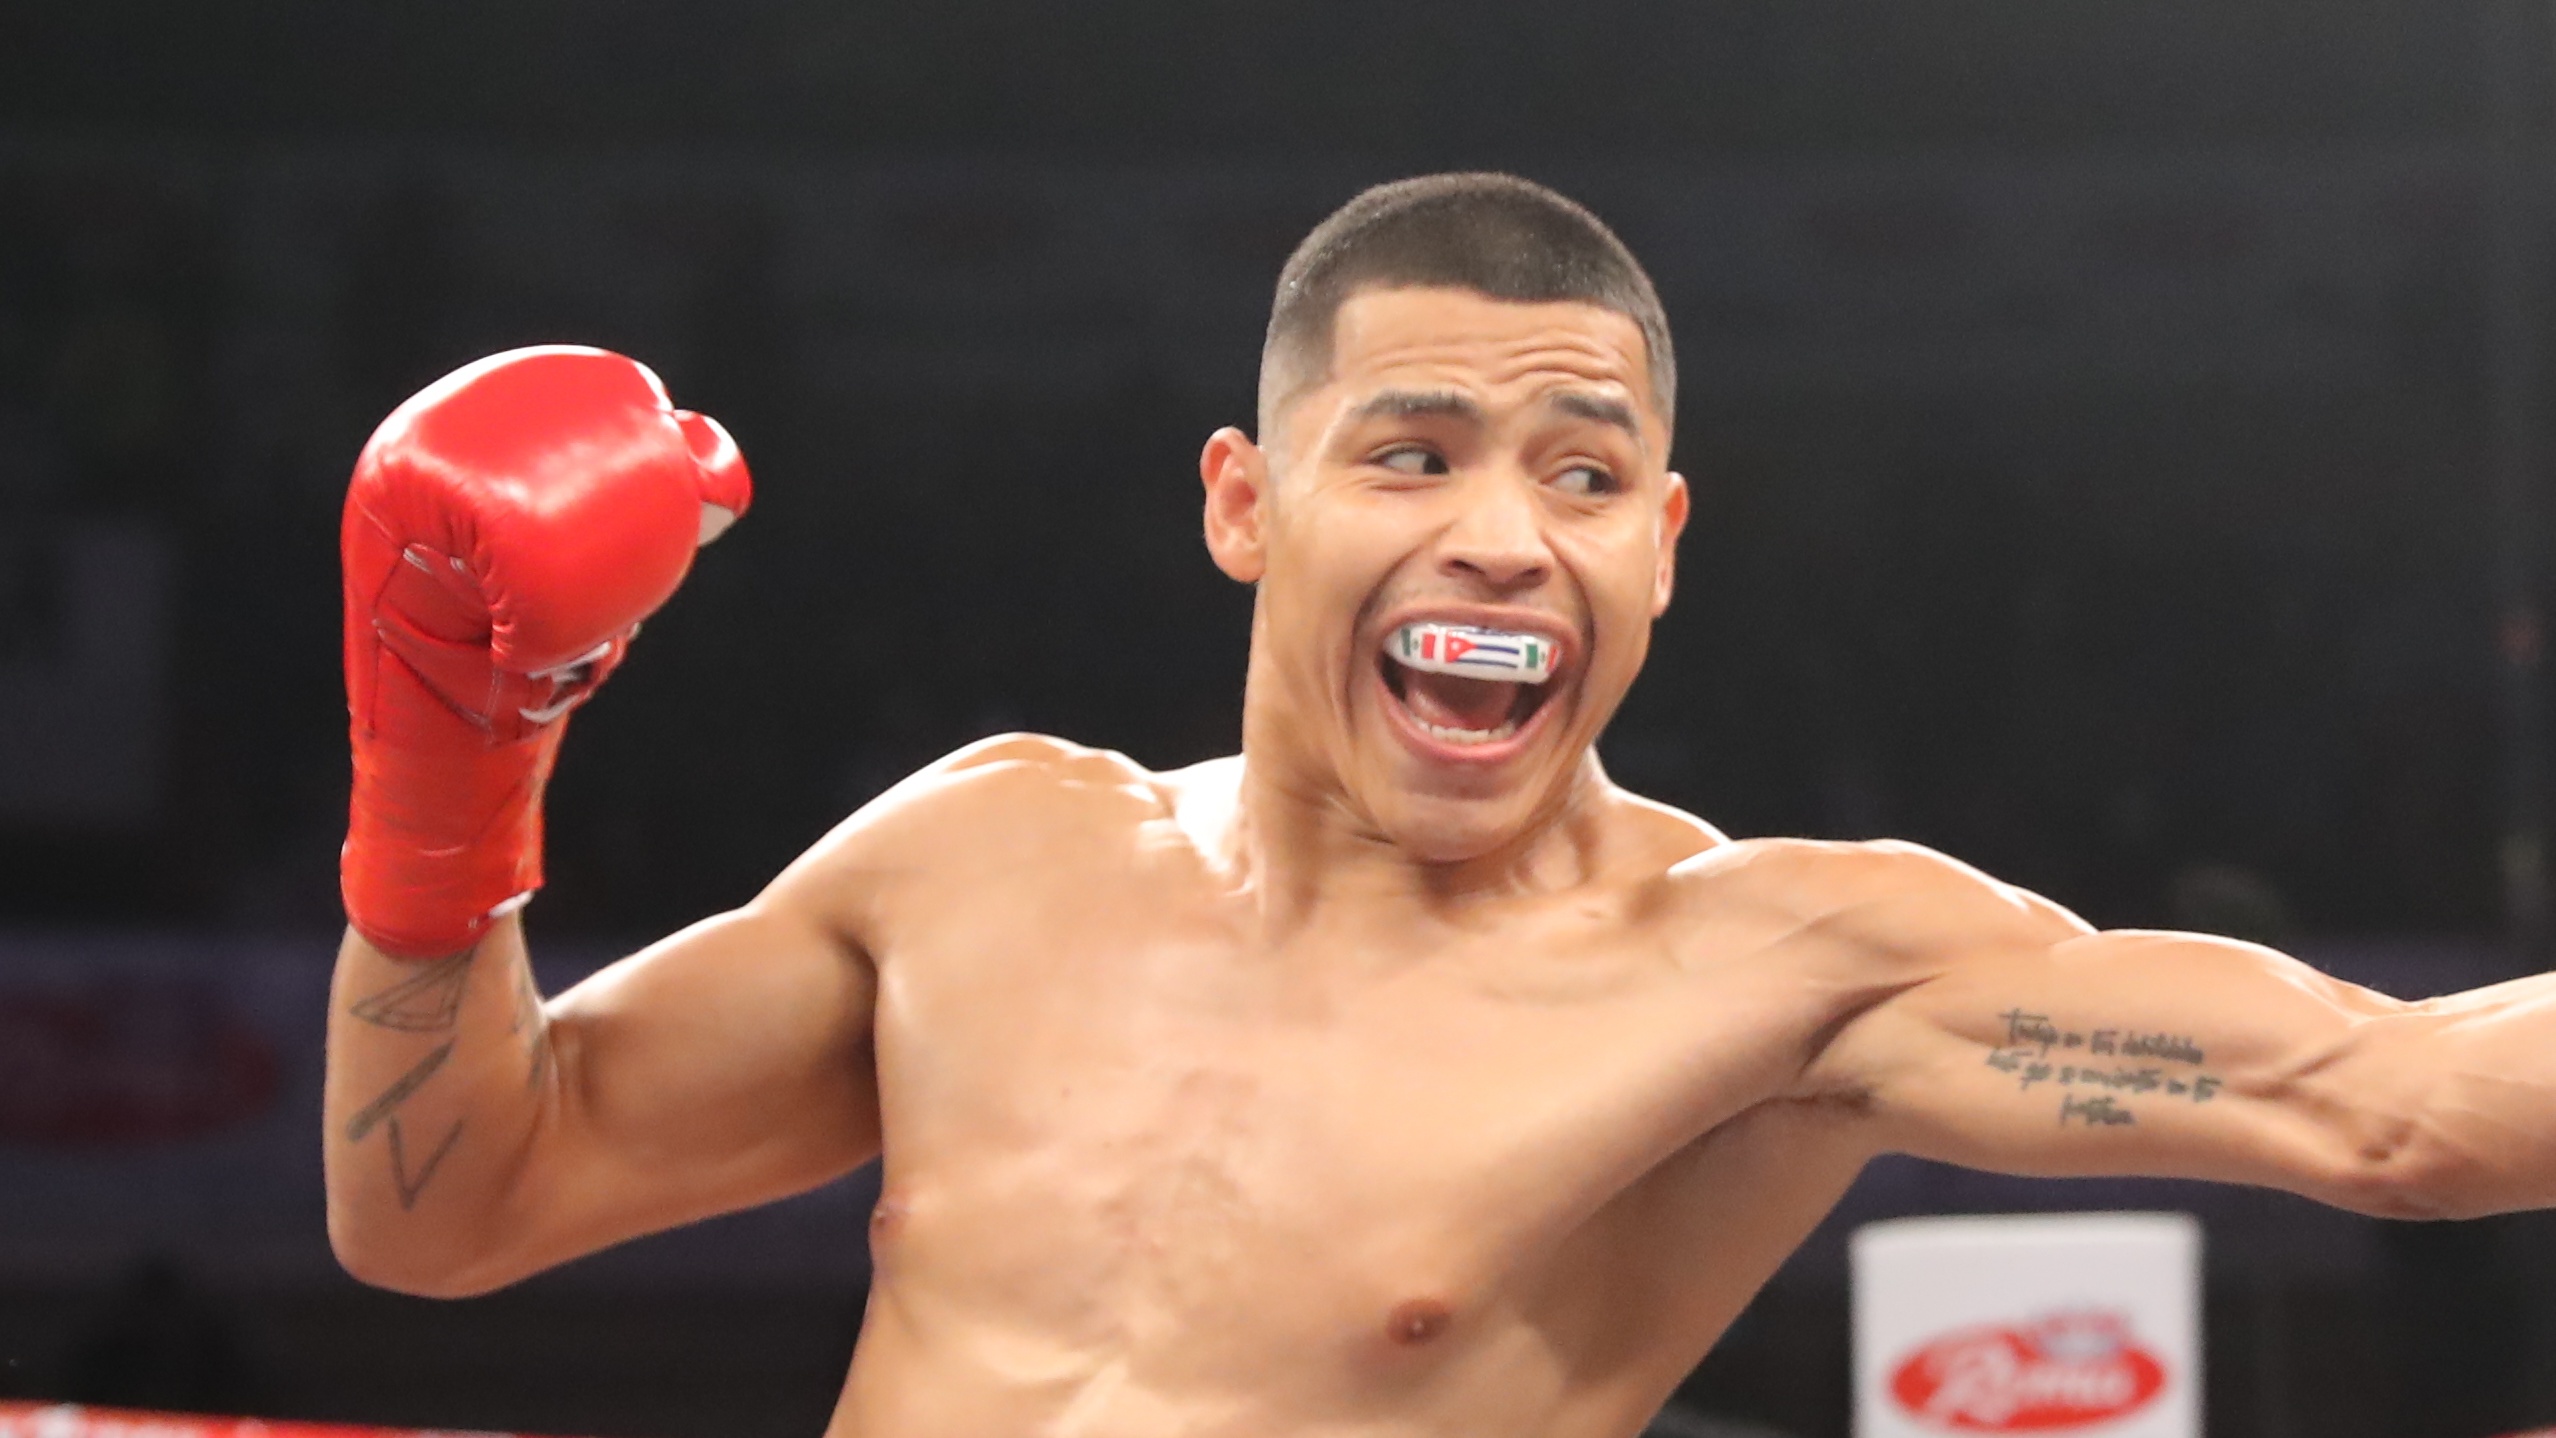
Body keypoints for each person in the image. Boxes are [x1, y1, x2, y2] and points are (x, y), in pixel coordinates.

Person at [322, 173, 2556, 1438]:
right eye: (1415, 453)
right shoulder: (983, 855)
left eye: (1583, 476)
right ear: (1242, 500)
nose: (1506, 534)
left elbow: (2402, 1107)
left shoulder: (1776, 970)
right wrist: (453, 767)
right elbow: (447, 1207)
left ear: (1663, 542)